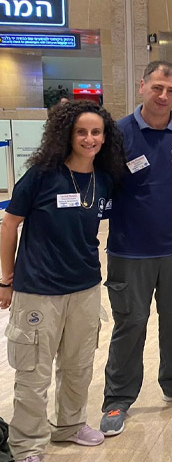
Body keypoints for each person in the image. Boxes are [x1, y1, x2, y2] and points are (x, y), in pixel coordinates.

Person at [0, 101, 126, 462]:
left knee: (78, 365)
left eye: (96, 132)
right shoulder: (42, 174)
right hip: (38, 290)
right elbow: (9, 225)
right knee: (33, 373)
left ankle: (70, 426)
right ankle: (27, 445)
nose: (89, 138)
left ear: (105, 137)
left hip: (85, 287)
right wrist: (5, 280)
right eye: (81, 132)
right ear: (67, 135)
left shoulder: (103, 179)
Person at [100, 61, 172, 436]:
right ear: (142, 85)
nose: (164, 96)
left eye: (171, 90)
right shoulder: (117, 134)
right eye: (158, 87)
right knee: (130, 324)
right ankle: (117, 398)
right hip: (130, 250)